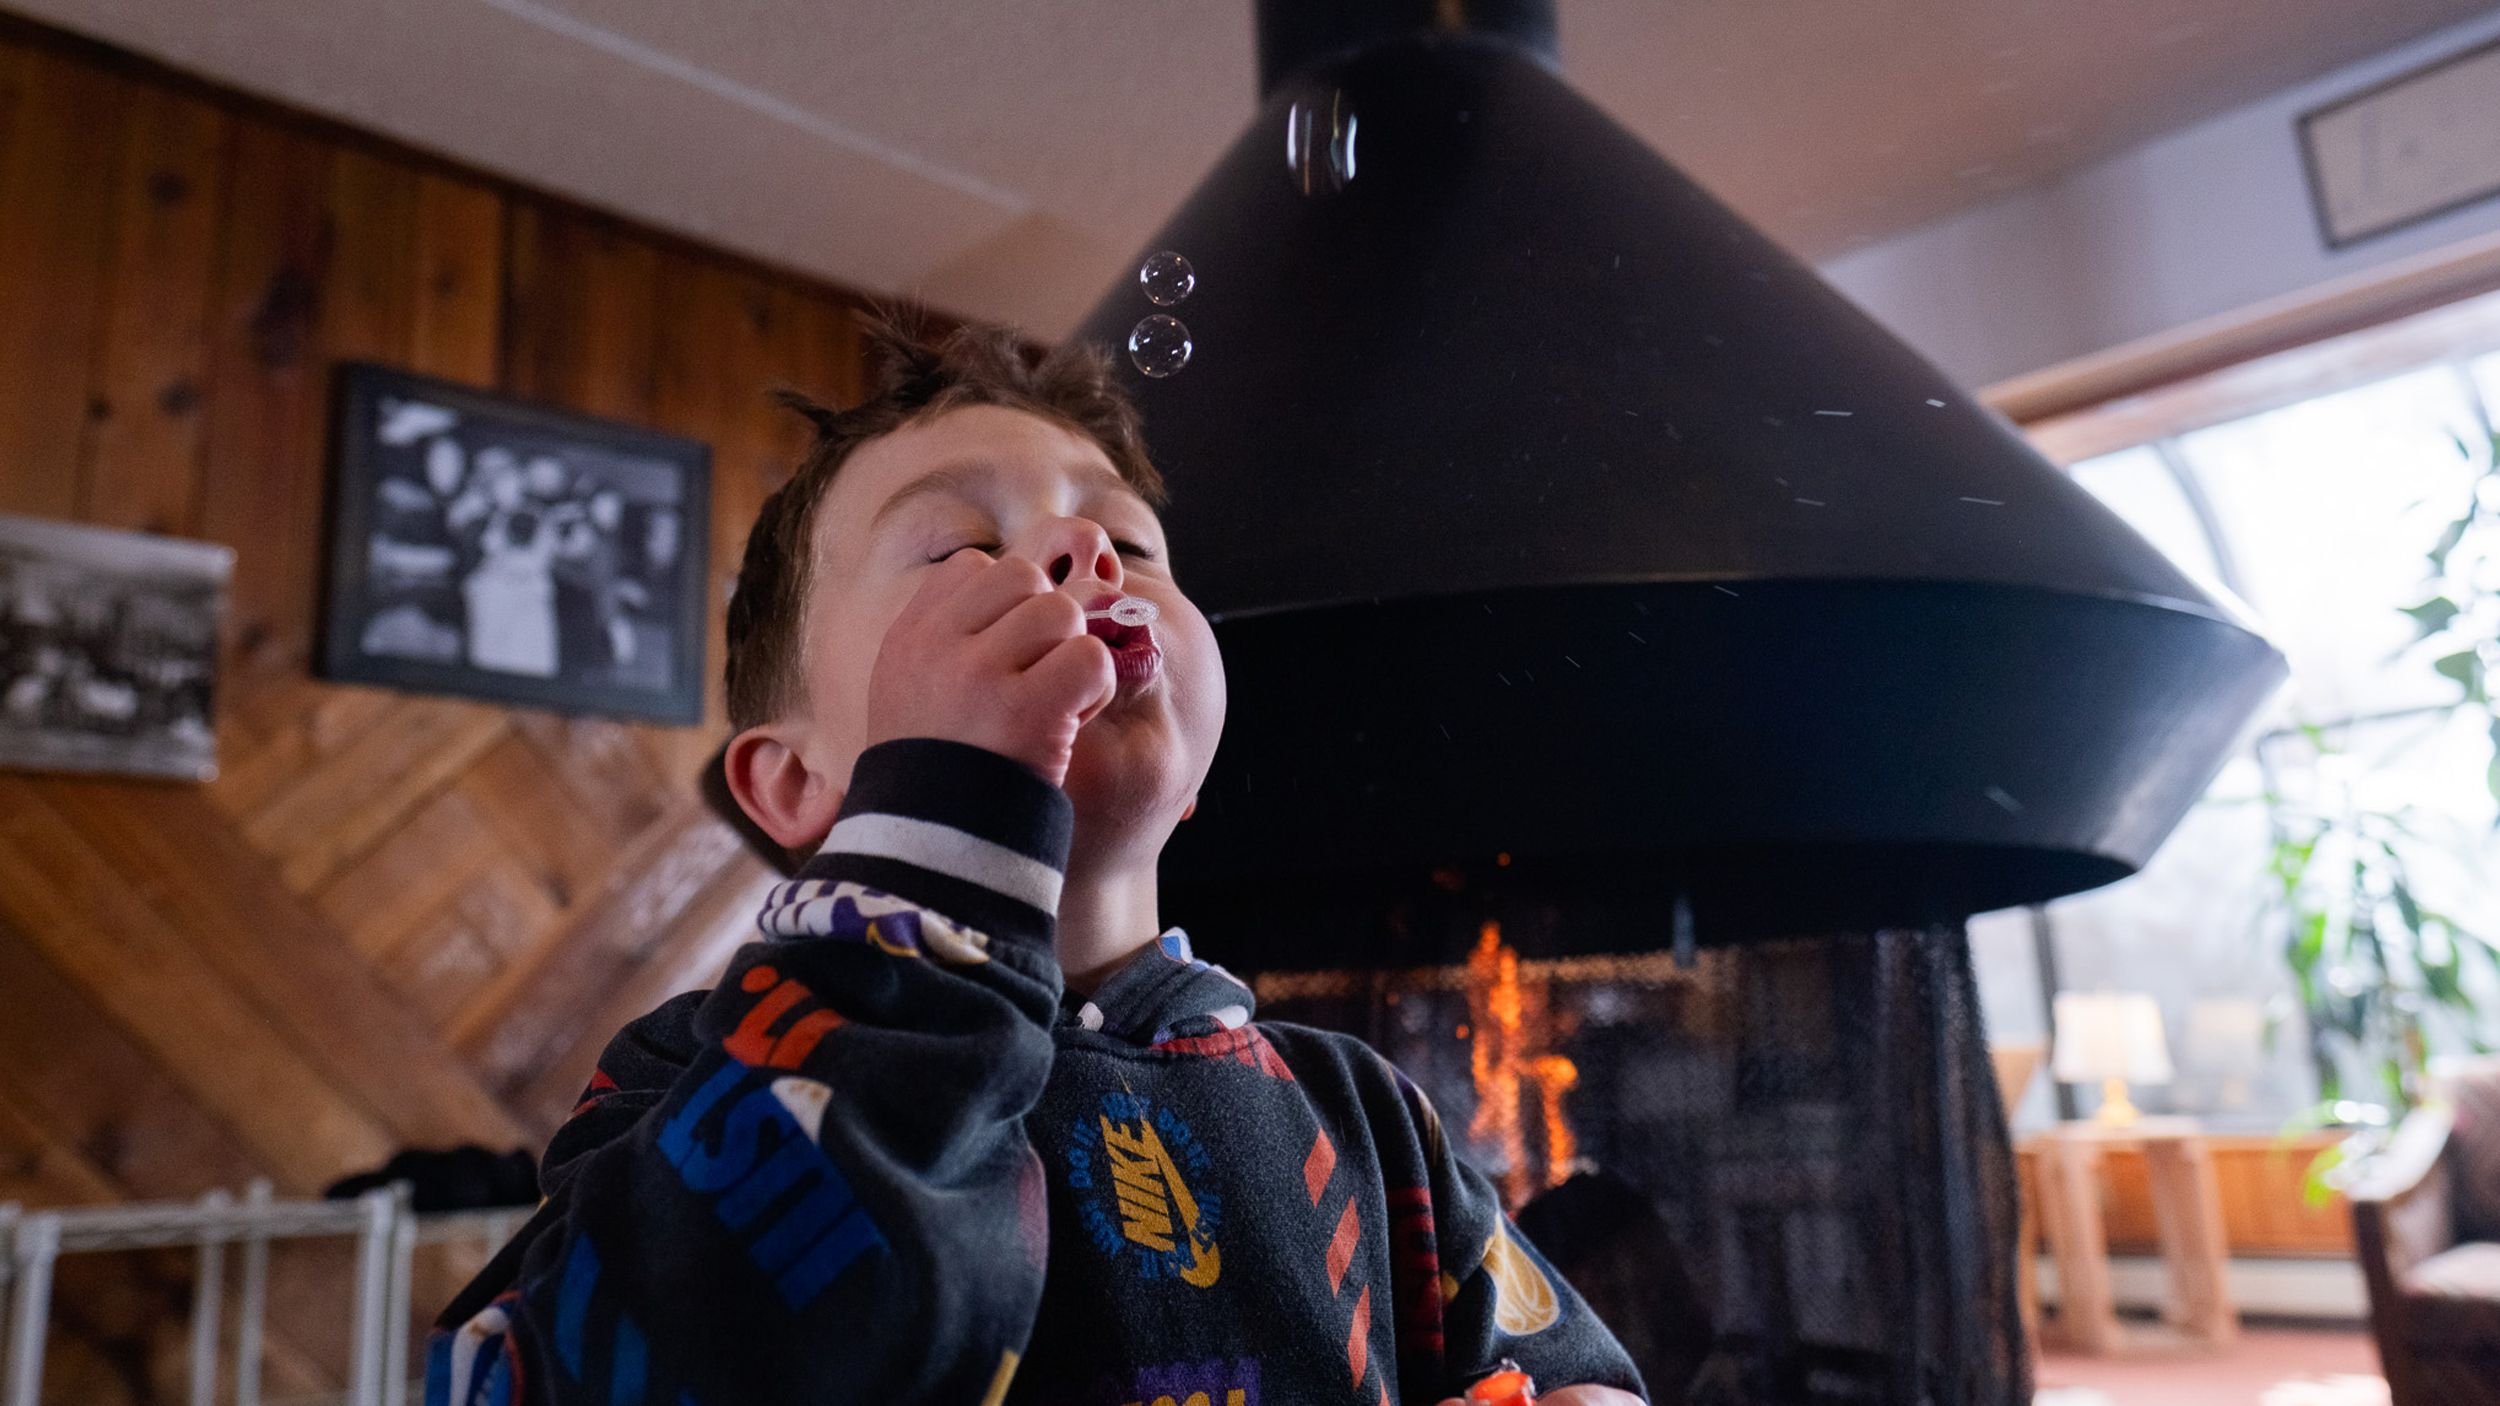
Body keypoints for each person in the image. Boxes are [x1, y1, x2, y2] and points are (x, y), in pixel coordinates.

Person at [427, 317, 1647, 1406]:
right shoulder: (709, 1077)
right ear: (794, 784)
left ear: (1196, 776)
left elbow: (1571, 1373)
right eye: (957, 551)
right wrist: (941, 840)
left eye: (1132, 540)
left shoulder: (1365, 1111)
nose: (1080, 551)